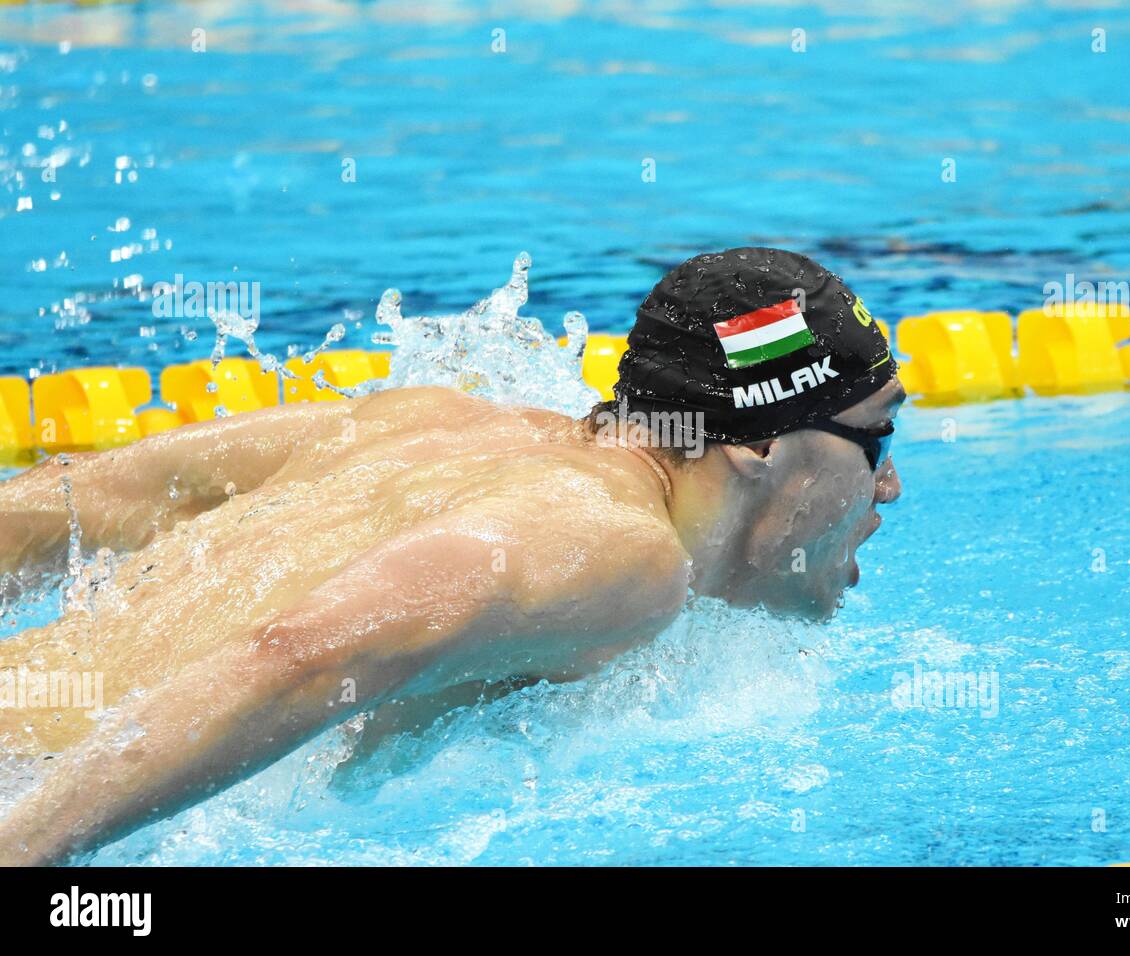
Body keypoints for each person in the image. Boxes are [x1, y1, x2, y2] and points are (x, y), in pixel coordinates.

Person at [0, 247, 904, 865]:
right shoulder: (619, 554)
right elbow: (306, 653)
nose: (888, 484)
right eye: (876, 435)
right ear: (762, 443)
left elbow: (78, 495)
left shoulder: (435, 423)